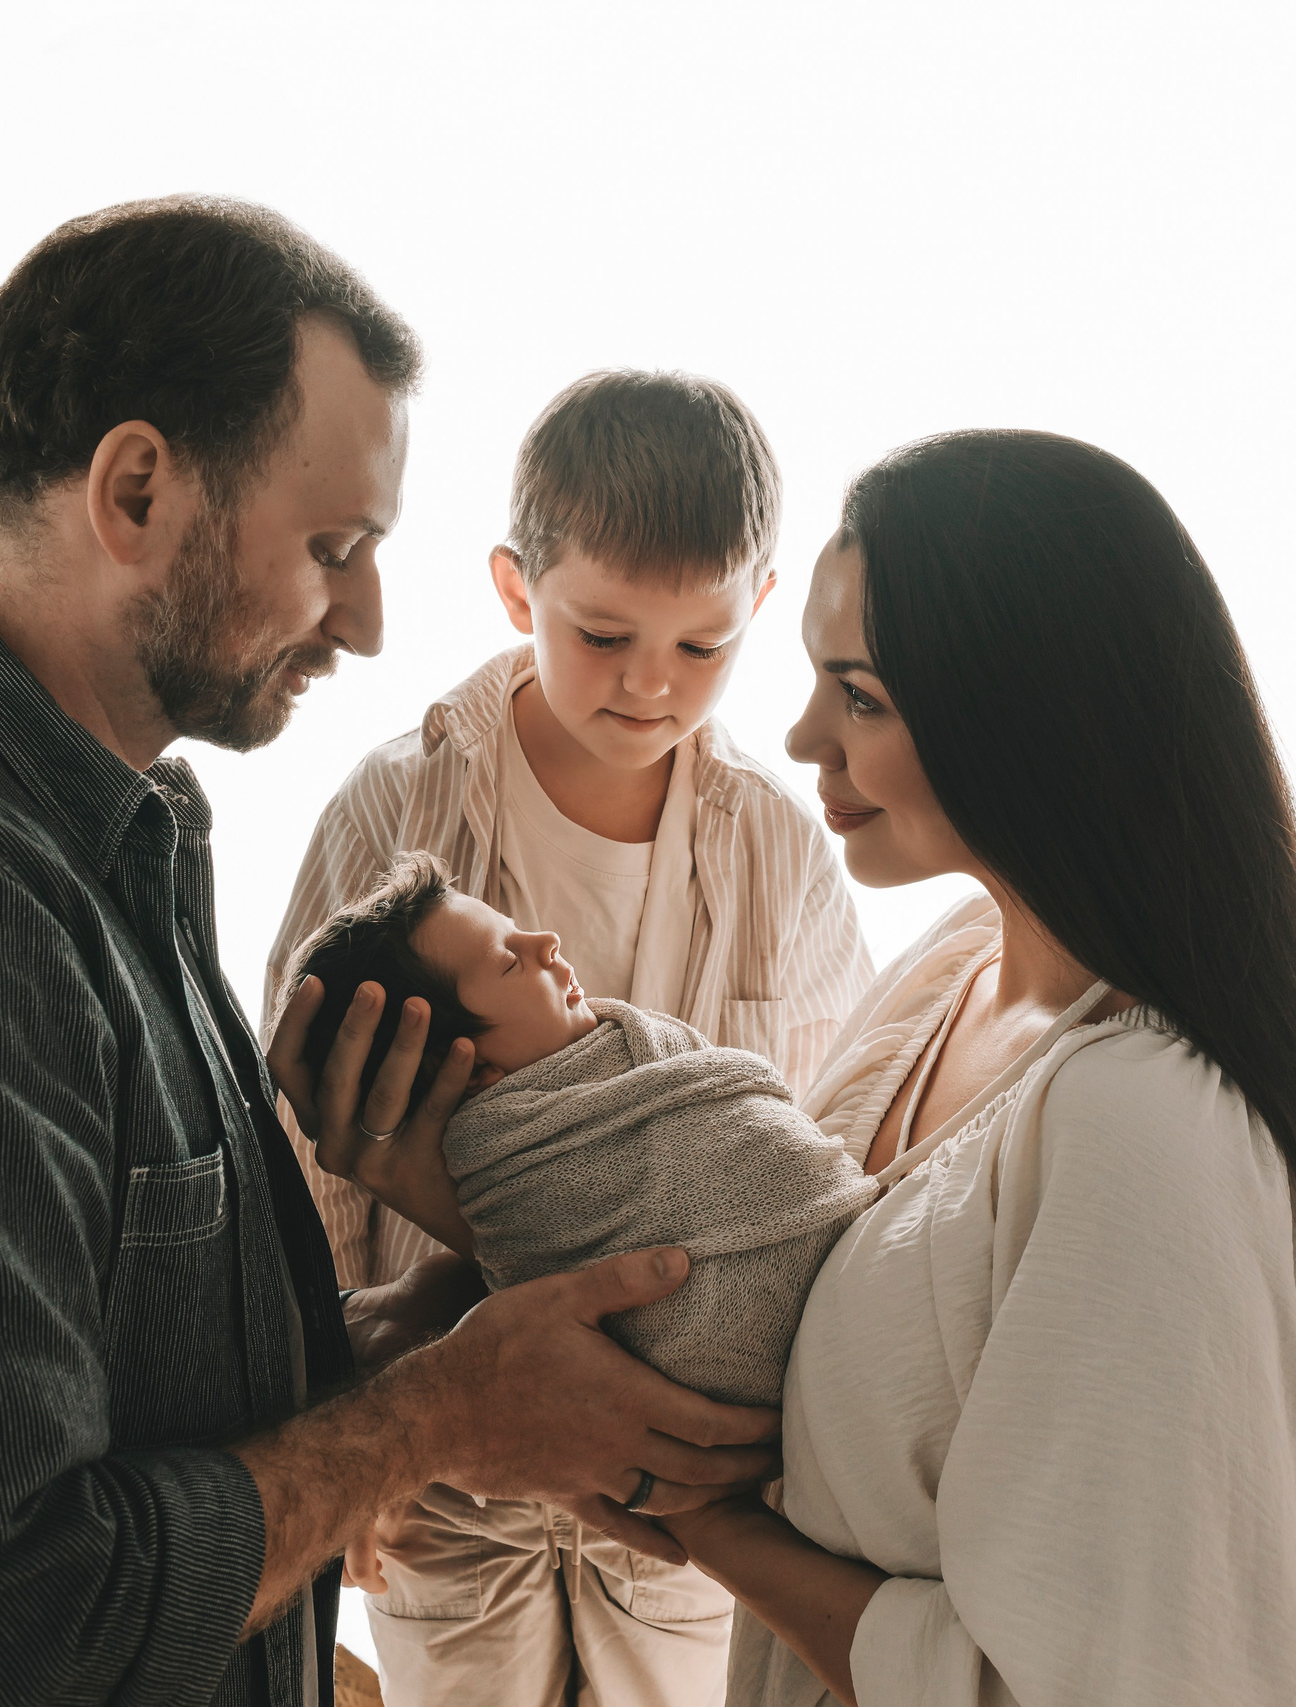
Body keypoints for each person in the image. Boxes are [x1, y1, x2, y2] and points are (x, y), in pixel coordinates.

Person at [0, 195, 777, 1707]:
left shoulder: (114, 839)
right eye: (334, 546)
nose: (372, 622)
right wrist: (434, 1418)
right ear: (134, 492)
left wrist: (439, 1315)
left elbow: (127, 1419)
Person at [292, 430, 1296, 1705]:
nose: (800, 730)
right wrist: (456, 1239)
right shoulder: (947, 974)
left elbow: (1048, 1679)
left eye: (860, 695)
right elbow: (759, 1268)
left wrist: (701, 1524)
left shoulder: (1138, 1125)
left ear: (1026, 726)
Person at [263, 370, 871, 1706]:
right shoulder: (398, 808)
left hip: (690, 1490)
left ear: (759, 608)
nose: (652, 685)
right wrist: (331, 1429)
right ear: (512, 590)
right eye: (602, 635)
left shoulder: (777, 848)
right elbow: (292, 1159)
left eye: (702, 648)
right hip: (451, 1481)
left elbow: (822, 1147)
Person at [282, 852, 876, 1407]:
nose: (546, 942)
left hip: (854, 1267)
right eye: (510, 961)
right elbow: (558, 1275)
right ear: (469, 1068)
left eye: (520, 931)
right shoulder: (508, 1162)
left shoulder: (633, 1042)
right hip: (779, 1349)